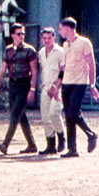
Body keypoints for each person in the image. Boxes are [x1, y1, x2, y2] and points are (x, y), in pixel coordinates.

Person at [49, 17, 99, 158]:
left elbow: (91, 64)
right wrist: (57, 85)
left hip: (80, 83)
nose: (60, 31)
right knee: (68, 116)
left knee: (73, 112)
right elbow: (64, 67)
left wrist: (92, 85)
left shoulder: (84, 43)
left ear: (69, 28)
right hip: (67, 83)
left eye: (61, 28)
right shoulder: (66, 45)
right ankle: (72, 149)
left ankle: (91, 134)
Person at [0, 24, 39, 155]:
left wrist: (33, 89)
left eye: (22, 34)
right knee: (20, 115)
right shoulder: (8, 50)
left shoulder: (30, 50)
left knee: (15, 114)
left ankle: (5, 144)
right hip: (13, 84)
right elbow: (4, 67)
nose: (21, 36)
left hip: (24, 84)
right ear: (12, 35)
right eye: (19, 34)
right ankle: (32, 144)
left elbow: (34, 70)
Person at [36, 27, 66, 155]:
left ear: (54, 37)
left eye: (49, 38)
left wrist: (56, 86)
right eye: (44, 38)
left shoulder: (60, 52)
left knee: (54, 114)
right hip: (45, 87)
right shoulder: (41, 52)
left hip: (58, 87)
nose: (47, 40)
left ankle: (61, 136)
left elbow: (64, 71)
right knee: (45, 117)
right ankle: (50, 145)